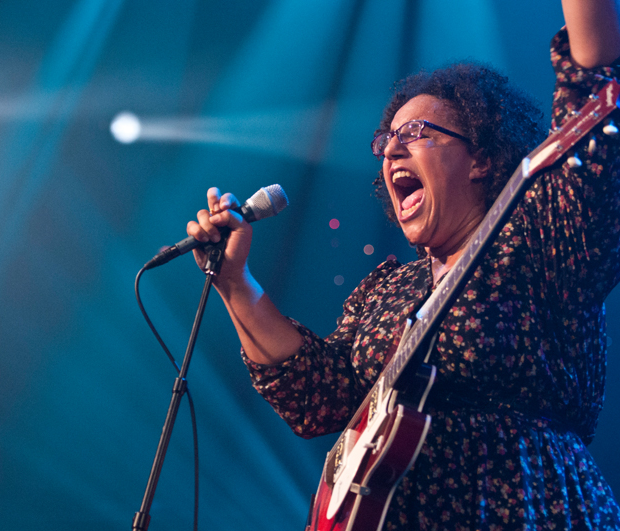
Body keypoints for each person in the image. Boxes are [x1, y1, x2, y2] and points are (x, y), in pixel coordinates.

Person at [186, 0, 620, 528]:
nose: (391, 152)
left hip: (525, 505)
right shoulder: (389, 288)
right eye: (386, 142)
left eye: (415, 135)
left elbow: (593, 115)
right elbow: (320, 397)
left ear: (482, 157)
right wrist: (235, 283)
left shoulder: (538, 238)